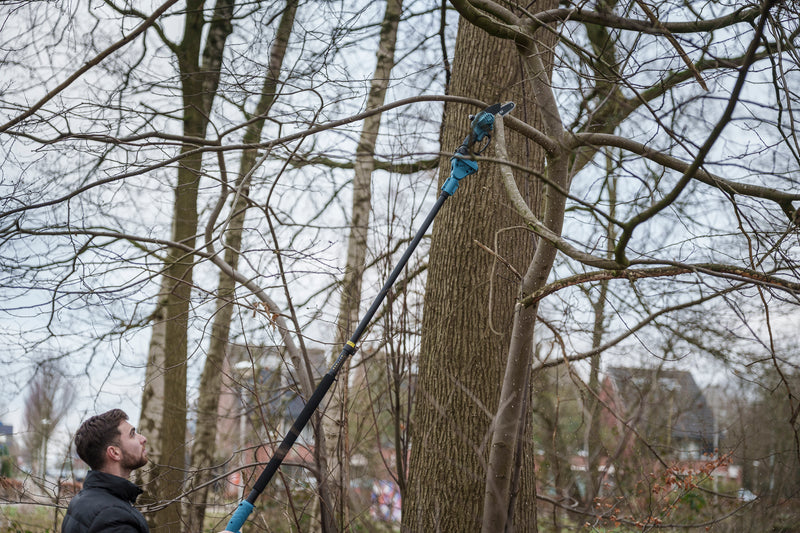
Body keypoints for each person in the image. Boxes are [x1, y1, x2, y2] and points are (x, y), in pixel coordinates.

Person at [62, 409, 149, 533]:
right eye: (132, 434)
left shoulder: (79, 502)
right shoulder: (115, 518)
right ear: (114, 452)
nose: (143, 439)